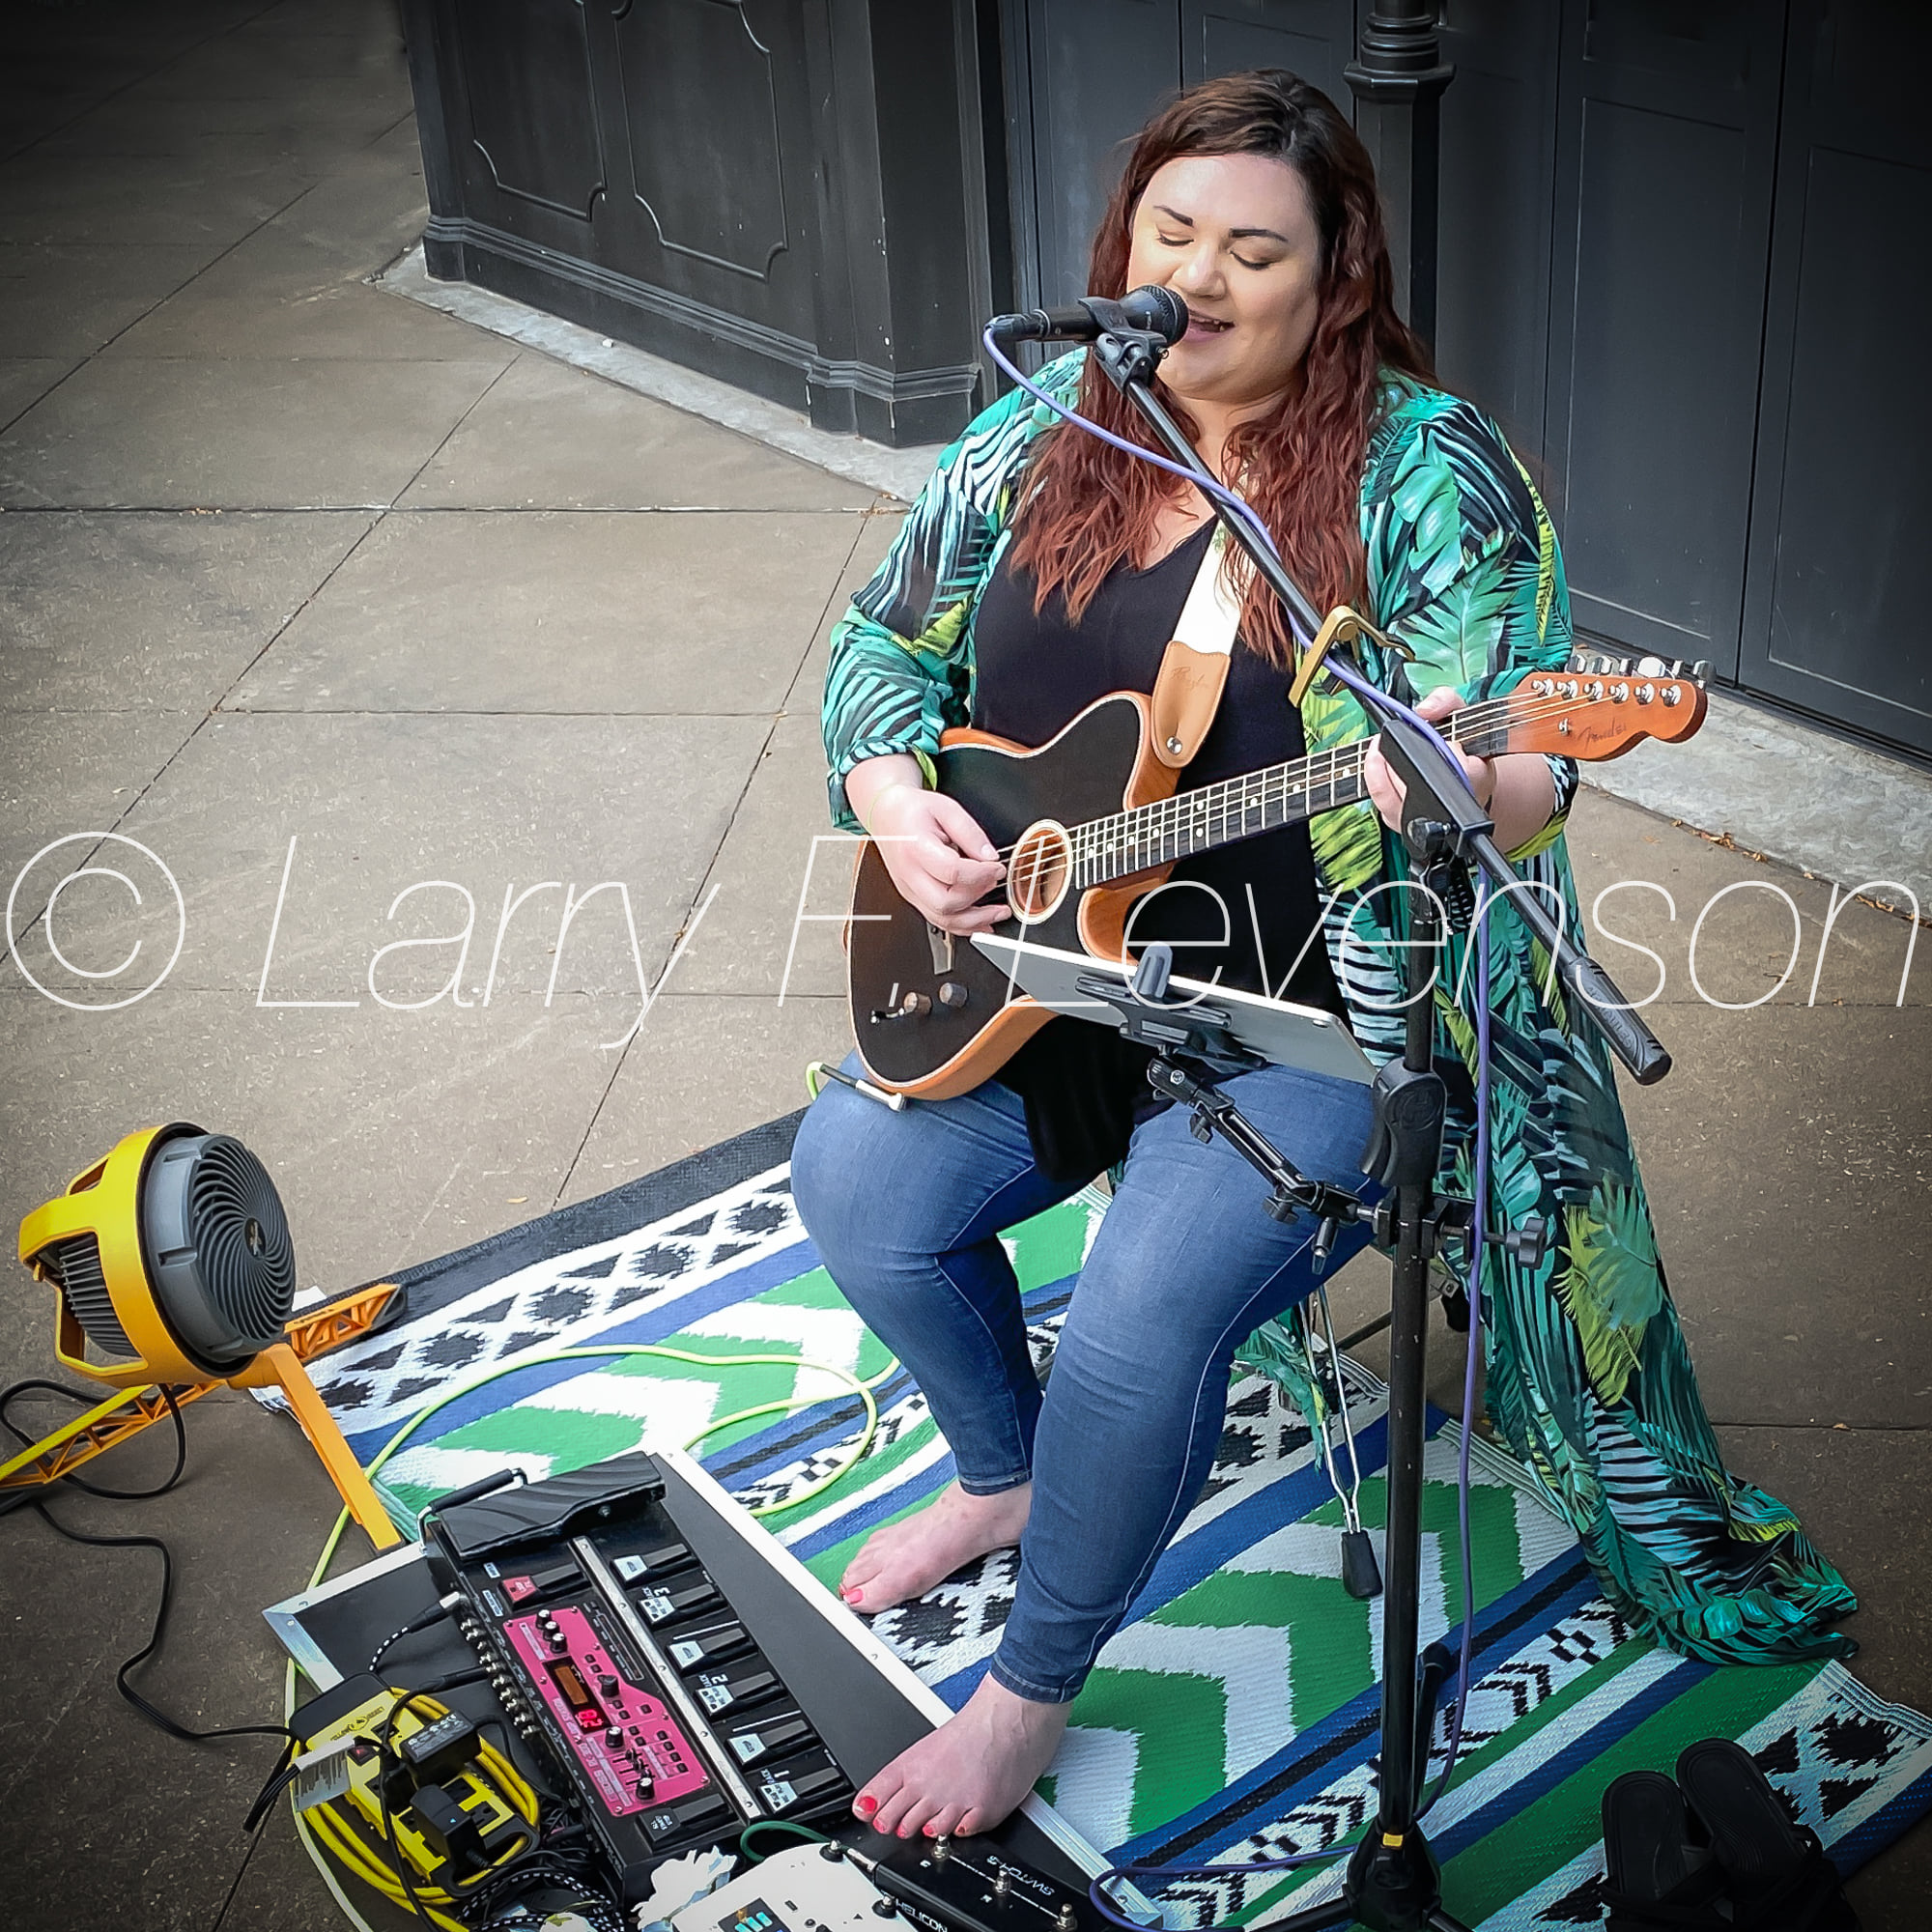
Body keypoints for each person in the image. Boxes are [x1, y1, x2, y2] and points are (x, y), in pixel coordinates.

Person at [790, 70, 1853, 1844]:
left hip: (1323, 1011)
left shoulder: (1429, 473)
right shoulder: (1049, 421)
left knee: (1135, 1321)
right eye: (1170, 233)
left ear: (1336, 274)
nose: (1196, 280)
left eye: (1253, 250)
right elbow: (877, 647)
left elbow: (1528, 776)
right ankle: (1006, 1478)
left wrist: (1456, 781)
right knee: (855, 1185)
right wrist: (898, 802)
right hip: (1063, 967)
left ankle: (1030, 1691)